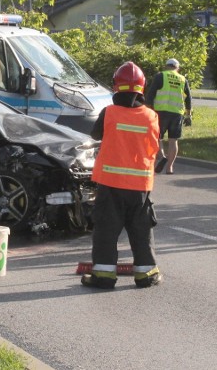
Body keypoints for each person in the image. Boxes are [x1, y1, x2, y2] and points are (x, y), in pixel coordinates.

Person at [82, 61, 162, 289]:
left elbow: (95, 134)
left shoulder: (109, 113)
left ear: (116, 87)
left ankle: (104, 277)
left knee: (106, 230)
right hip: (140, 186)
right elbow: (155, 146)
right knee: (141, 230)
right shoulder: (151, 116)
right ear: (142, 88)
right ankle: (146, 275)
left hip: (111, 184)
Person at [144, 58, 192, 174]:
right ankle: (170, 167)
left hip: (161, 112)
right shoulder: (182, 79)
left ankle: (162, 156)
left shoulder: (160, 76)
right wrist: (188, 114)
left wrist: (148, 109)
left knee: (157, 137)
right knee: (173, 140)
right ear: (177, 68)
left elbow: (151, 94)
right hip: (177, 113)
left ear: (166, 66)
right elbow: (188, 98)